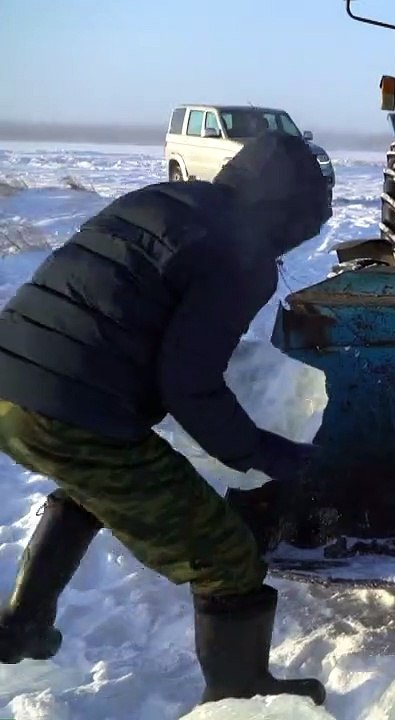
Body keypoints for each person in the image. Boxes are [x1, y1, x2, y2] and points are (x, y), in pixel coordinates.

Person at [0, 131, 332, 706]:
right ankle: (239, 698)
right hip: (69, 411)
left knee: (90, 488)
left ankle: (22, 625)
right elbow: (188, 383)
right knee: (226, 557)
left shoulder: (159, 199)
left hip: (10, 385)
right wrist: (259, 452)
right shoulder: (240, 252)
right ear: (287, 212)